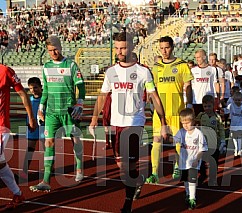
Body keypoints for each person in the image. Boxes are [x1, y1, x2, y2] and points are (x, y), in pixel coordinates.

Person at [89, 32, 167, 213]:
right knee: (121, 166)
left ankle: (127, 203)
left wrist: (162, 121)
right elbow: (102, 96)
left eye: (123, 47)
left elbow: (154, 97)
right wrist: (94, 118)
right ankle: (138, 180)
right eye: (116, 48)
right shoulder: (110, 71)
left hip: (134, 122)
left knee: (129, 165)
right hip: (115, 123)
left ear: (132, 47)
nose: (119, 51)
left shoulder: (143, 71)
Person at [29, 35, 86, 192]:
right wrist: (41, 107)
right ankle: (46, 180)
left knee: (75, 140)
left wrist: (79, 104)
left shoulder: (71, 65)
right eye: (49, 50)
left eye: (55, 49)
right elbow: (45, 90)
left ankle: (80, 167)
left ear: (60, 47)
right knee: (49, 142)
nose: (53, 53)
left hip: (69, 111)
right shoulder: (46, 67)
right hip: (52, 113)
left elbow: (81, 86)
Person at [146, 36, 194, 184]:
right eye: (161, 48)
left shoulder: (181, 65)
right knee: (156, 140)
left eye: (166, 47)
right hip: (160, 111)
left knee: (177, 142)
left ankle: (177, 166)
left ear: (172, 47)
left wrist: (190, 106)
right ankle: (154, 172)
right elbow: (151, 87)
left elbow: (188, 86)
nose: (164, 51)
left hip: (177, 110)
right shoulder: (156, 67)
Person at [0, 64, 37, 209]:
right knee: (1, 164)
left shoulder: (5, 71)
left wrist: (31, 117)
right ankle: (17, 193)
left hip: (1, 127)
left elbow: (22, 93)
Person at [174, 108, 208, 210]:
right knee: (185, 180)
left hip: (194, 162)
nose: (185, 125)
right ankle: (188, 194)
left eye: (187, 123)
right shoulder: (181, 132)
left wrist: (197, 159)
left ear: (193, 121)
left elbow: (202, 149)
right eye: (183, 123)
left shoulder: (198, 134)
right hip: (183, 161)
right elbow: (174, 140)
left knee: (192, 179)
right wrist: (166, 136)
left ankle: (193, 198)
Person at [196, 95, 225, 186]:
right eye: (205, 106)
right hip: (203, 144)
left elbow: (221, 129)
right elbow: (195, 125)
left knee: (213, 162)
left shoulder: (217, 117)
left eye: (209, 106)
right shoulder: (201, 116)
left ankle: (212, 178)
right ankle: (202, 175)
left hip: (214, 144)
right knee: (201, 161)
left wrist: (223, 141)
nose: (207, 108)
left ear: (213, 105)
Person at [20, 77, 45, 180]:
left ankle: (48, 169)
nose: (33, 90)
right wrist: (28, 124)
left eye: (35, 87)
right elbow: (28, 114)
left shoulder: (45, 99)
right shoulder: (29, 100)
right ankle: (24, 171)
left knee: (47, 148)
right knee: (30, 148)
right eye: (30, 88)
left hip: (44, 126)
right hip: (33, 127)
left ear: (40, 87)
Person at [191, 49, 224, 116]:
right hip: (197, 101)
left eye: (198, 57)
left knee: (210, 122)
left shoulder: (213, 69)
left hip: (209, 101)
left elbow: (216, 83)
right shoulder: (193, 70)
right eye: (196, 58)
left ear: (204, 57)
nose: (197, 59)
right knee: (199, 122)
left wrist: (218, 98)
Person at [226, 92, 242, 156]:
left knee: (239, 136)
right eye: (236, 100)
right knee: (234, 136)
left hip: (240, 123)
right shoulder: (231, 105)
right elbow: (226, 110)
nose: (237, 101)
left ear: (241, 99)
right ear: (233, 100)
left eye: (239, 100)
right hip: (233, 123)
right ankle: (236, 148)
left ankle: (239, 149)